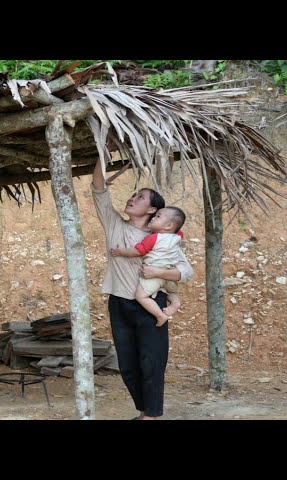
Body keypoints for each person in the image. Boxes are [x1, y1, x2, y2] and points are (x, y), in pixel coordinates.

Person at [91, 157, 193, 420]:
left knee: (152, 362)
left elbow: (185, 272)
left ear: (152, 210)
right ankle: (143, 412)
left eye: (140, 197)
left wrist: (158, 272)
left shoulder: (163, 240)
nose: (132, 199)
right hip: (119, 302)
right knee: (127, 364)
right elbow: (99, 187)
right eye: (133, 195)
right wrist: (103, 152)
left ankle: (152, 415)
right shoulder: (115, 225)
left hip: (151, 303)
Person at [110, 206, 187, 327]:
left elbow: (138, 251)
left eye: (158, 216)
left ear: (168, 226)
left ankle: (160, 315)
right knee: (171, 291)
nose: (153, 218)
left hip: (153, 276)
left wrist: (121, 252)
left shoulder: (153, 238)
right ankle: (175, 303)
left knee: (140, 296)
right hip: (169, 273)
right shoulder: (178, 236)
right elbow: (179, 231)